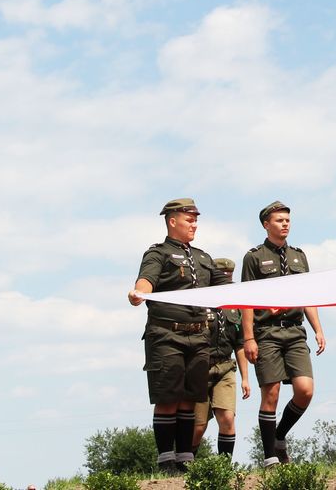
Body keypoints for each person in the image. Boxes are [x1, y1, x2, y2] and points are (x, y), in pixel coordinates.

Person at [128, 198, 231, 474]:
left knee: (190, 398)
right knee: (168, 398)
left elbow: (228, 288)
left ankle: (185, 459)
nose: (194, 224)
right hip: (166, 335)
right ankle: (165, 461)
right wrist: (138, 293)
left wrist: (267, 290)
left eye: (196, 219)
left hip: (198, 337)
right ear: (173, 221)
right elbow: (145, 281)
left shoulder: (203, 258)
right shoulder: (158, 253)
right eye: (189, 219)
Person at [240, 201, 326, 467]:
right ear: (266, 225)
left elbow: (308, 296)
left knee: (305, 390)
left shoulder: (299, 256)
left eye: (287, 220)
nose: (285, 224)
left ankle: (278, 436)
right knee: (272, 393)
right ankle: (270, 457)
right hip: (266, 333)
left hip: (295, 332)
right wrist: (249, 338)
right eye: (279, 220)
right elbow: (245, 301)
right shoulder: (253, 257)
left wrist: (318, 329)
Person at [192, 258, 252, 457]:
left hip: (225, 367)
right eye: (222, 275)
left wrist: (245, 378)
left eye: (229, 275)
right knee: (198, 426)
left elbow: (240, 345)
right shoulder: (198, 303)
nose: (226, 279)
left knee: (227, 419)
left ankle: (223, 467)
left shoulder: (234, 309)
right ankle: (184, 465)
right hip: (200, 369)